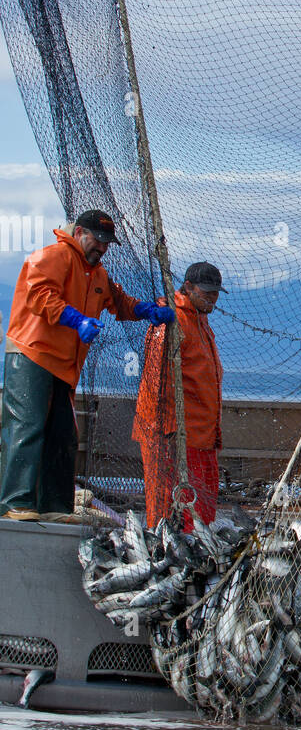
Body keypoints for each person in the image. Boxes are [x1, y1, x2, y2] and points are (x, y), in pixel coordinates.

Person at [0, 210, 175, 521]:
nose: (103, 247)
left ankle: (55, 507)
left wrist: (148, 310)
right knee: (27, 427)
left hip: (65, 367)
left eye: (107, 242)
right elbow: (38, 295)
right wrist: (76, 319)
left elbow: (119, 302)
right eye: (98, 240)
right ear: (79, 232)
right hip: (32, 355)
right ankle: (15, 503)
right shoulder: (53, 256)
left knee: (63, 435)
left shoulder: (98, 274)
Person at [132, 262, 223, 530]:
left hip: (201, 435)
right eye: (206, 291)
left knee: (199, 514)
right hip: (173, 436)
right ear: (188, 287)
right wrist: (167, 434)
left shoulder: (200, 318)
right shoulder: (171, 320)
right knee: (168, 513)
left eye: (216, 292)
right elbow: (155, 381)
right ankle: (166, 555)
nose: (212, 297)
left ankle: (195, 558)